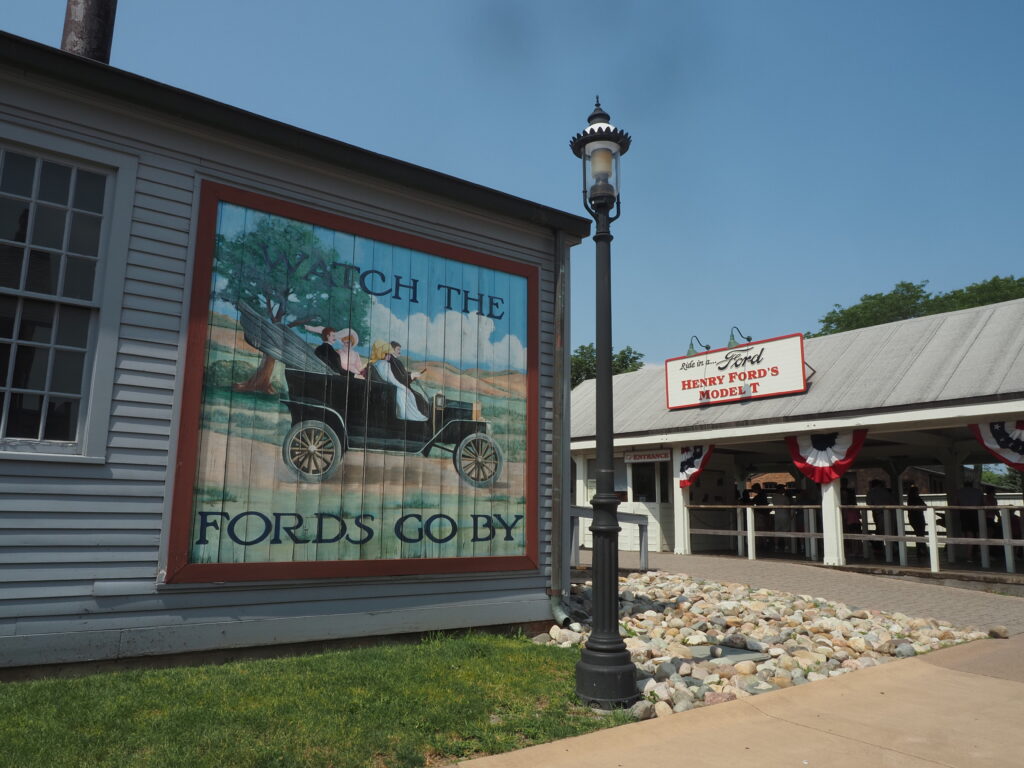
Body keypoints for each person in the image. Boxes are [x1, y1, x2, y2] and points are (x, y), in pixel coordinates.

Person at [368, 340, 427, 422]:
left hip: (391, 387)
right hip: (392, 388)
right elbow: (395, 379)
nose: (399, 352)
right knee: (407, 395)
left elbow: (400, 376)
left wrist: (410, 376)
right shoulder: (387, 363)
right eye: (398, 349)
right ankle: (406, 417)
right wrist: (406, 383)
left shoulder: (379, 363)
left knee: (414, 396)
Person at [388, 341, 429, 416]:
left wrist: (412, 374)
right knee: (419, 398)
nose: (399, 352)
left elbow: (403, 374)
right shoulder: (393, 361)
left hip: (402, 385)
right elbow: (400, 379)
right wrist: (411, 376)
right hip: (400, 387)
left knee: (419, 397)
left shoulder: (395, 361)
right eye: (398, 349)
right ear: (392, 349)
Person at [866, 479, 895, 556]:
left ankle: (880, 550)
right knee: (890, 531)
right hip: (890, 513)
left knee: (880, 530)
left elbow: (869, 503)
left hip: (878, 514)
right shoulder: (886, 492)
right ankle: (892, 551)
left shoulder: (871, 492)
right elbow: (893, 502)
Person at [906, 483, 927, 561]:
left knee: (918, 534)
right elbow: (925, 507)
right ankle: (922, 550)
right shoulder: (918, 499)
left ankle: (920, 550)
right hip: (919, 518)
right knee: (921, 534)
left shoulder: (909, 499)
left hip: (912, 518)